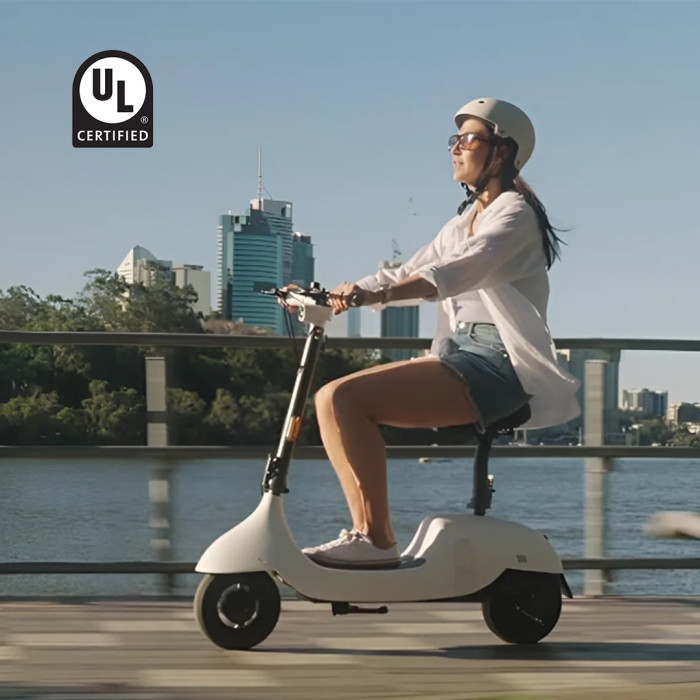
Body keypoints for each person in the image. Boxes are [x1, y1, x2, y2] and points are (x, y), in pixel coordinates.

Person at [298, 98, 581, 568]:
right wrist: (331, 296)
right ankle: (368, 535)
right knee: (330, 398)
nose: (456, 148)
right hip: (461, 355)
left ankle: (376, 541)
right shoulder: (461, 223)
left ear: (502, 152)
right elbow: (406, 272)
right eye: (455, 139)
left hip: (497, 365)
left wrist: (374, 296)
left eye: (468, 139)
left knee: (347, 399)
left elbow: (450, 274)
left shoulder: (515, 215)